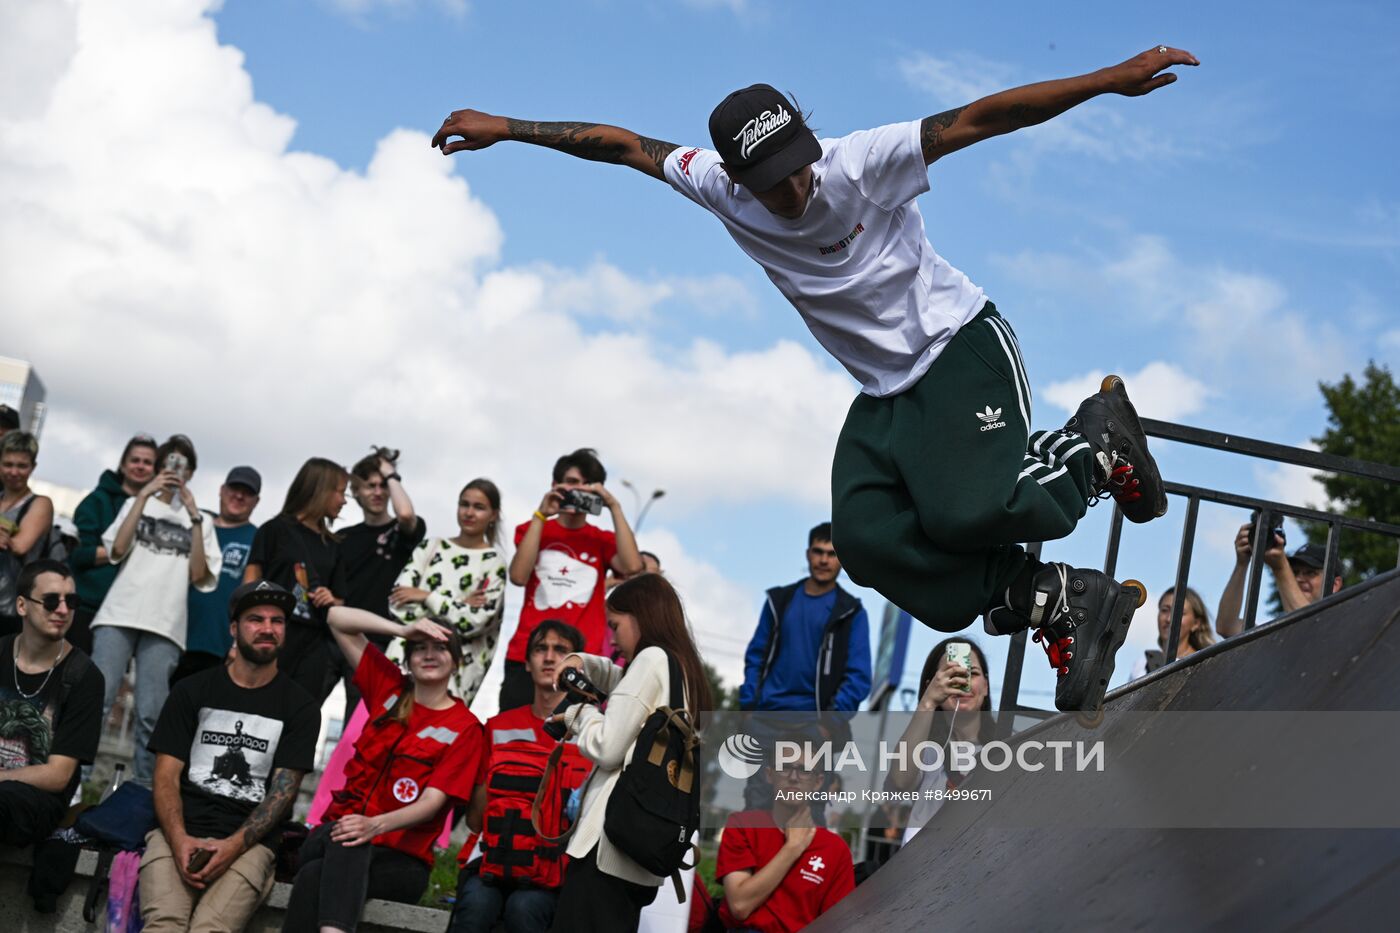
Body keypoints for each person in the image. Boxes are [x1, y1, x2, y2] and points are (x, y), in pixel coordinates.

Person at [433, 46, 1198, 712]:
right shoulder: (715, 185)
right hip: (883, 394)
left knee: (972, 510)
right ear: (736, 177)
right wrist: (508, 128)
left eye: (797, 170)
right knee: (865, 540)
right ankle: (1050, 597)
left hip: (960, 346)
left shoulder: (862, 162)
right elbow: (626, 146)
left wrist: (1107, 81)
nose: (793, 190)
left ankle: (1094, 445)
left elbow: (983, 118)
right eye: (770, 183)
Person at [283, 606, 483, 933]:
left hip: (401, 861)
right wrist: (403, 629)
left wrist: (374, 825)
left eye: (440, 647)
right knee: (347, 838)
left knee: (314, 872)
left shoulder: (466, 728)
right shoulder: (388, 688)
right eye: (420, 647)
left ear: (457, 661)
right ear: (408, 658)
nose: (429, 654)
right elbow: (336, 619)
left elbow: (432, 803)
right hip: (336, 836)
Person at [140, 580, 320, 933]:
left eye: (277, 620)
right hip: (178, 829)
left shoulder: (300, 707)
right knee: (164, 925)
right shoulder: (192, 690)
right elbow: (164, 777)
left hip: (249, 843)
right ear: (234, 628)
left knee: (210, 930)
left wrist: (233, 846)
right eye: (256, 619)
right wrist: (178, 840)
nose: (267, 628)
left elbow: (282, 795)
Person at [551, 573, 713, 932]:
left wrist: (579, 715)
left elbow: (608, 749)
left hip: (605, 849)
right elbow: (628, 687)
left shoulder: (652, 658)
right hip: (641, 855)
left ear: (640, 616)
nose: (612, 637)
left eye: (615, 625)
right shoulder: (682, 668)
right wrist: (585, 663)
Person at [92, 434, 220, 787]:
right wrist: (145, 494)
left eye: (182, 465)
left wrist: (194, 518)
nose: (175, 471)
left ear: (191, 473)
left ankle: (143, 794)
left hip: (166, 624)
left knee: (151, 714)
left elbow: (198, 575)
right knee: (97, 701)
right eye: (170, 463)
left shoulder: (204, 522)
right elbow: (117, 548)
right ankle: (73, 787)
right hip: (119, 613)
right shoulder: (137, 502)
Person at [450, 620, 590, 933]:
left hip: (555, 872)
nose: (550, 657)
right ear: (526, 664)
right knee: (475, 907)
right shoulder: (498, 727)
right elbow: (475, 821)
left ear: (579, 668)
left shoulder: (595, 736)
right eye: (541, 649)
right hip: (493, 863)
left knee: (524, 909)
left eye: (561, 651)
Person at [499, 448, 642, 711]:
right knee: (514, 738)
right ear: (555, 485)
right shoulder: (535, 529)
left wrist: (614, 506)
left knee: (570, 746)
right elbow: (518, 576)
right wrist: (541, 515)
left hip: (582, 661)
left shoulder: (602, 540)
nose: (580, 490)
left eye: (588, 485)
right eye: (573, 482)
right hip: (528, 655)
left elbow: (633, 566)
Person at [0, 560, 105, 846]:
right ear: (22, 606)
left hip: (36, 800)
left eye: (71, 601)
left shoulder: (84, 676)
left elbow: (58, 775)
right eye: (50, 601)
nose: (62, 610)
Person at [390, 478, 507, 705]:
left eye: (479, 507)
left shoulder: (494, 563)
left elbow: (472, 622)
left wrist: (426, 596)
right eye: (464, 504)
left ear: (493, 515)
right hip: (404, 664)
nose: (469, 513)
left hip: (457, 675)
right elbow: (399, 606)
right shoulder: (430, 547)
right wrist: (459, 603)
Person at [244, 456, 349, 702]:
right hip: (269, 636)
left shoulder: (334, 545)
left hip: (313, 646)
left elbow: (342, 603)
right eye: (340, 492)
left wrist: (331, 599)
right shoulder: (273, 530)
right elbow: (248, 586)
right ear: (320, 489)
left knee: (298, 714)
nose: (344, 501)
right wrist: (241, 639)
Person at [716, 754, 856, 933]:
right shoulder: (743, 825)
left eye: (805, 770)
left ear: (818, 782)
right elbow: (740, 906)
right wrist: (792, 848)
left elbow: (838, 926)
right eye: (785, 767)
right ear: (769, 774)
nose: (793, 777)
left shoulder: (835, 849)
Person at [740, 522, 871, 713]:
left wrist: (830, 723)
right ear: (808, 554)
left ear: (842, 559)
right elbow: (756, 657)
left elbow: (858, 676)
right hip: (765, 718)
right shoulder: (778, 602)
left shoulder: (852, 613)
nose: (824, 560)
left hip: (817, 724)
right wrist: (749, 705)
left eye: (832, 553)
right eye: (818, 552)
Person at [887, 637, 994, 846]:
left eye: (973, 674)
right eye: (951, 674)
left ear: (986, 686)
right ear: (931, 686)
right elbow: (899, 782)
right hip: (921, 870)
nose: (963, 682)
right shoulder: (925, 750)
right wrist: (927, 703)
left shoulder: (1011, 747)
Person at [69, 433, 159, 654]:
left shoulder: (159, 511)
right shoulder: (96, 501)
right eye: (135, 460)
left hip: (127, 614)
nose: (140, 466)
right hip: (87, 607)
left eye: (147, 462)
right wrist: (124, 547)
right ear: (123, 464)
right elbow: (79, 556)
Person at [176, 466, 262, 683]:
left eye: (247, 492)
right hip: (170, 633)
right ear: (222, 490)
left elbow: (252, 598)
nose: (239, 496)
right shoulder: (194, 522)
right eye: (234, 488)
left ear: (256, 501)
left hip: (217, 646)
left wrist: (238, 646)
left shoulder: (258, 539)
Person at [1216, 530, 1344, 637]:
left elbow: (1311, 629)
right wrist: (1242, 564)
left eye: (1310, 573)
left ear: (1334, 584)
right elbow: (1226, 627)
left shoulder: (1346, 622)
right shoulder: (1281, 630)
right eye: (1294, 572)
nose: (1299, 578)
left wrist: (1280, 568)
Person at [0, 431, 57, 638]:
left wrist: (8, 540)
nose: (14, 472)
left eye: (22, 466)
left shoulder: (40, 503)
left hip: (12, 609)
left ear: (32, 467)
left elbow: (21, 545)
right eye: (8, 464)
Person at [1135, 586, 1215, 676]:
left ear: (1196, 623)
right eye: (1165, 610)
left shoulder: (1204, 664)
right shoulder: (1143, 663)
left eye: (1179, 612)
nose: (1169, 619)